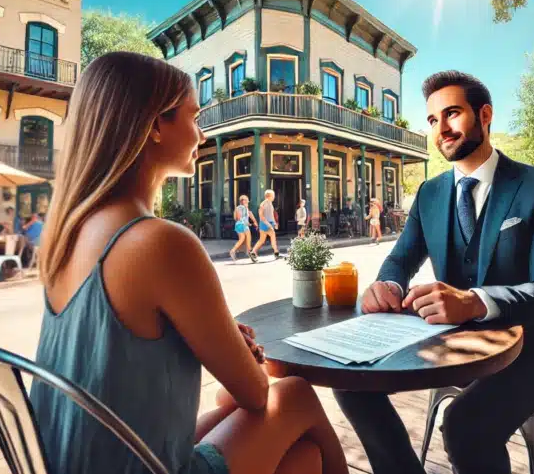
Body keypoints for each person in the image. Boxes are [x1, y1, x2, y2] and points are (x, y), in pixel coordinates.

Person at [30, 52, 347, 474]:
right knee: (294, 395)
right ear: (155, 125)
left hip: (77, 460)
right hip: (140, 466)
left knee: (303, 460)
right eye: (194, 117)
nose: (201, 133)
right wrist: (241, 353)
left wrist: (206, 332)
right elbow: (254, 392)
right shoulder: (159, 242)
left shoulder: (70, 232)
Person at [338, 71, 534, 474]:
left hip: (533, 355)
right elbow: (400, 259)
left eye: (452, 113)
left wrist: (474, 302)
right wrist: (387, 285)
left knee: (465, 424)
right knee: (350, 379)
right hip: (451, 349)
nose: (441, 129)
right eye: (433, 120)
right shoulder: (429, 194)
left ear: (484, 115)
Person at [251, 190, 281, 260]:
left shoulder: (270, 203)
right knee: (273, 235)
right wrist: (269, 225)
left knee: (262, 240)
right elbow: (261, 216)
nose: (274, 197)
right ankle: (276, 252)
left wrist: (274, 223)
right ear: (269, 196)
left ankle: (253, 252)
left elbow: (271, 215)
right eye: (273, 195)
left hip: (266, 224)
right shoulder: (264, 204)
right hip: (266, 224)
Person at [229, 195, 257, 263]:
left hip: (238, 225)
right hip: (243, 225)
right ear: (243, 201)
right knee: (248, 239)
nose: (248, 201)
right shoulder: (243, 208)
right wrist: (250, 223)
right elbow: (241, 218)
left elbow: (236, 218)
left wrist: (253, 221)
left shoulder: (238, 208)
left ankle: (233, 251)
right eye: (247, 200)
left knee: (242, 239)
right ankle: (250, 253)